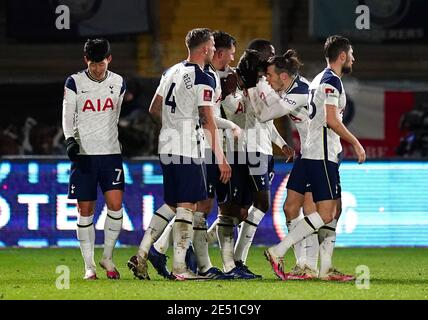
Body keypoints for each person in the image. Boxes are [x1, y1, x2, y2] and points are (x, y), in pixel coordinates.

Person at [127, 28, 231, 280]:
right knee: (188, 205)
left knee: (172, 202)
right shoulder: (203, 78)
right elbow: (208, 121)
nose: (213, 50)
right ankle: (180, 268)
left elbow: (154, 108)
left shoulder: (171, 70)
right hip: (187, 147)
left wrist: (172, 127)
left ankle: (141, 255)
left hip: (167, 145)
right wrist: (221, 158)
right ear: (205, 49)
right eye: (212, 46)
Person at [264, 35, 366, 281]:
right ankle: (281, 252)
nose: (353, 58)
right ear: (342, 56)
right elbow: (332, 120)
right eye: (351, 54)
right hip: (322, 154)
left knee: (328, 209)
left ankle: (321, 268)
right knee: (326, 212)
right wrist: (356, 143)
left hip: (311, 152)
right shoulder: (332, 81)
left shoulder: (318, 79)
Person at [62, 38, 126, 280]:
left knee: (116, 206)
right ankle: (88, 266)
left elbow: (115, 115)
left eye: (101, 63)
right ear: (85, 60)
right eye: (92, 64)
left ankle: (107, 257)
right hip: (85, 155)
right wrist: (70, 140)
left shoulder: (118, 82)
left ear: (109, 59)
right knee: (85, 210)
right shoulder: (74, 82)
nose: (97, 69)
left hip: (110, 154)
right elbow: (68, 114)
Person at [233, 39, 294, 277]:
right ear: (259, 55)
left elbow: (266, 119)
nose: (273, 57)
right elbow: (258, 114)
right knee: (261, 204)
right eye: (270, 53)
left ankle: (223, 255)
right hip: (251, 150)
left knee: (241, 210)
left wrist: (281, 144)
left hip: (263, 149)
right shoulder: (244, 82)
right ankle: (237, 260)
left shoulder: (260, 82)